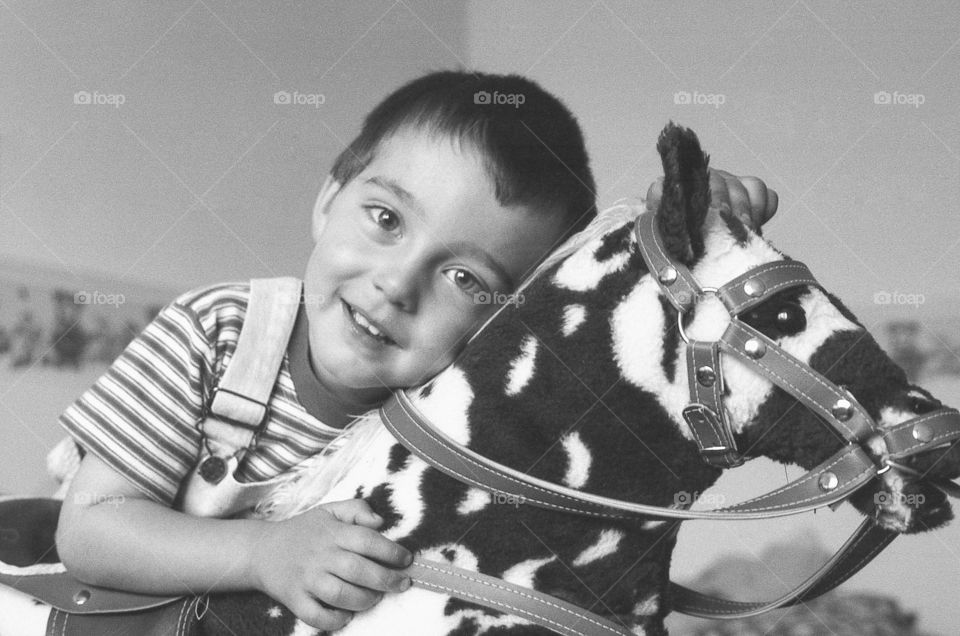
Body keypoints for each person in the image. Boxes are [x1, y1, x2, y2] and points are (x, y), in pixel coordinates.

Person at [53, 70, 776, 631]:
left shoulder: (463, 396)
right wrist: (260, 553)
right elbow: (90, 527)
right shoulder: (218, 332)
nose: (397, 283)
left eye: (464, 277)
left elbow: (593, 307)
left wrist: (689, 220)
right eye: (385, 218)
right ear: (327, 199)